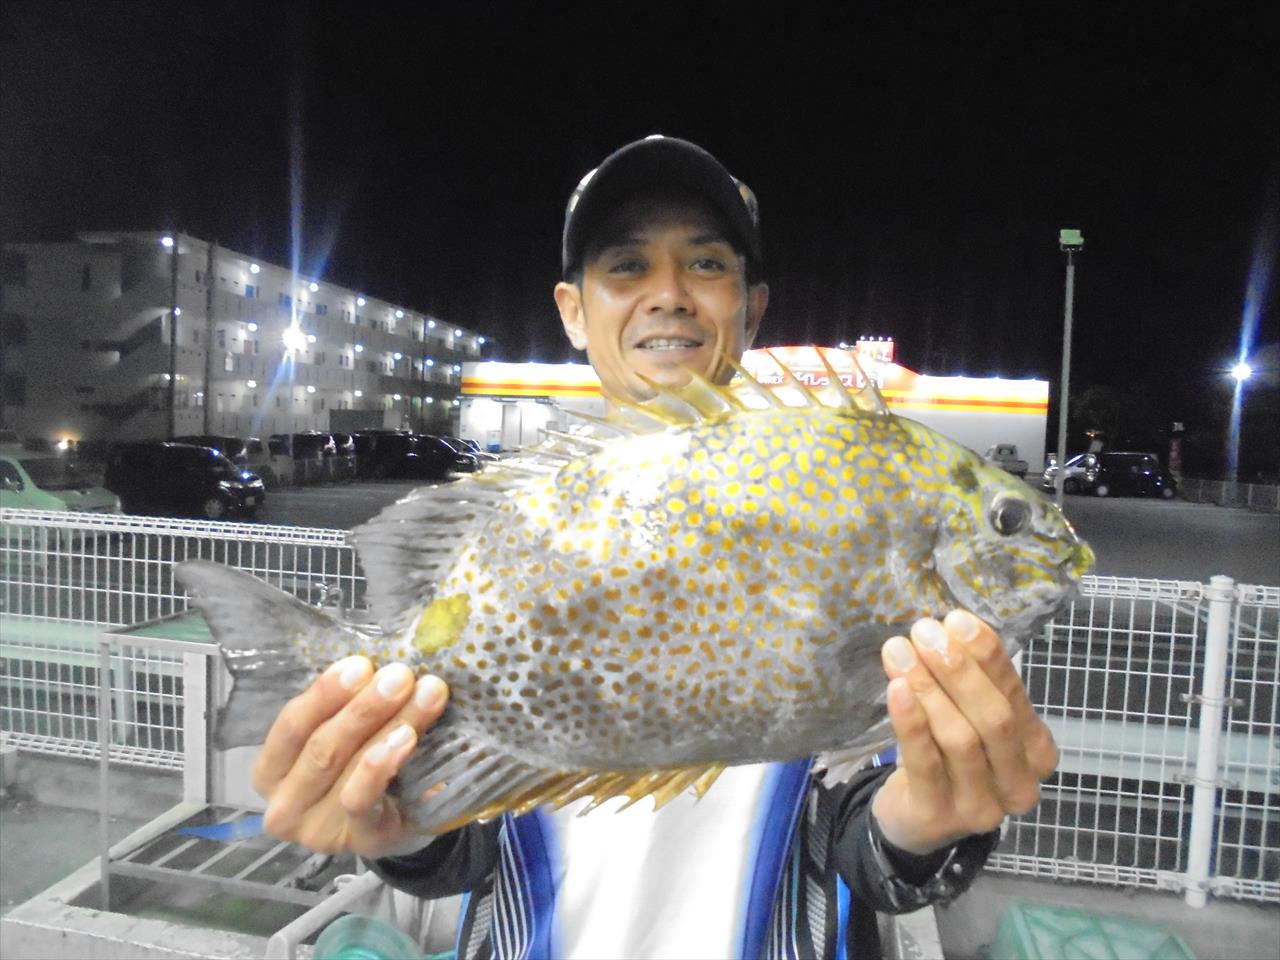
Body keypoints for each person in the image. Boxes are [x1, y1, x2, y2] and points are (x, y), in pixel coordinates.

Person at [250, 136, 1059, 958]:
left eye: (706, 264)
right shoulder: (527, 517)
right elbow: (465, 847)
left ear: (753, 307)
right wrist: (398, 829)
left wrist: (926, 824)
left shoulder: (854, 516)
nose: (668, 294)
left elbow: (868, 841)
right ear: (573, 309)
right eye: (627, 266)